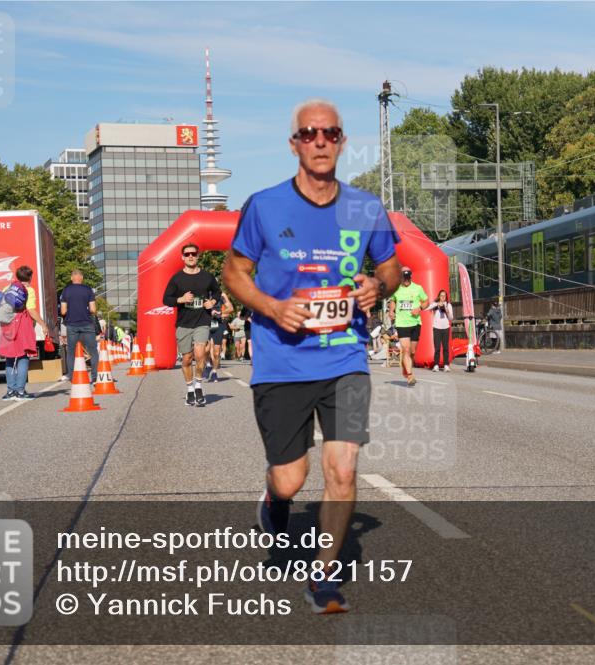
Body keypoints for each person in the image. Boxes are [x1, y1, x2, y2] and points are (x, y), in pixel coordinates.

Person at [222, 98, 401, 614]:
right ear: (295, 144)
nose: (320, 141)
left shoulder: (366, 207)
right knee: (291, 477)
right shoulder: (265, 205)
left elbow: (390, 268)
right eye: (309, 134)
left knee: (342, 469)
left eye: (330, 133)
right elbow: (235, 273)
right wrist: (273, 307)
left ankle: (324, 576)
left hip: (345, 356)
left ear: (342, 141)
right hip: (282, 359)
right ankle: (274, 505)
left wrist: (375, 286)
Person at [162, 243, 220, 406]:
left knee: (200, 353)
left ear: (198, 255)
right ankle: (189, 389)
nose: (190, 256)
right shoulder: (177, 278)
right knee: (187, 359)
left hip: (202, 321)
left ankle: (199, 386)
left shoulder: (207, 277)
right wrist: (181, 299)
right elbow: (166, 299)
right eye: (187, 254)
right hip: (184, 323)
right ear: (182, 257)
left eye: (193, 254)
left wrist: (212, 301)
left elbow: (217, 291)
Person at [0, 265, 48, 400]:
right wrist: (43, 324)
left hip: (7, 325)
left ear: (17, 277)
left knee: (9, 358)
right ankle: (20, 391)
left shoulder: (6, 289)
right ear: (30, 277)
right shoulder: (29, 290)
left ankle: (10, 391)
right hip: (22, 325)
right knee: (23, 357)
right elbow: (31, 310)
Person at [388, 266, 427, 385]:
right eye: (404, 278)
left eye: (407, 277)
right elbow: (393, 301)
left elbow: (426, 301)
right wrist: (391, 311)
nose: (406, 280)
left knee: (412, 352)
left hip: (415, 323)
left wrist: (419, 308)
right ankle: (410, 376)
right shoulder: (396, 289)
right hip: (402, 323)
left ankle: (406, 367)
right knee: (405, 349)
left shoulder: (418, 288)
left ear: (410, 277)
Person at [59, 269, 99, 384]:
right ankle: (95, 377)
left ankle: (71, 376)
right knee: (93, 351)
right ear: (82, 278)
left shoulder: (66, 291)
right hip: (87, 323)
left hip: (72, 325)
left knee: (71, 351)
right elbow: (93, 309)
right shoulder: (88, 290)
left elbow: (63, 311)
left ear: (72, 278)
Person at [205, 292, 233, 382]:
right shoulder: (202, 293)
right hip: (205, 323)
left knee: (217, 352)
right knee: (206, 349)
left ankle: (214, 371)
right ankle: (208, 364)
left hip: (218, 323)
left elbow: (230, 308)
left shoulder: (222, 295)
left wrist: (219, 313)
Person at [427, 290, 453, 371]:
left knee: (445, 348)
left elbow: (451, 318)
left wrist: (447, 311)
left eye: (444, 296)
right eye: (441, 296)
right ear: (439, 296)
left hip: (445, 328)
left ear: (446, 297)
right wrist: (437, 304)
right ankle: (436, 365)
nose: (443, 297)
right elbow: (428, 308)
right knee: (437, 347)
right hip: (437, 328)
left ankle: (446, 365)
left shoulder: (448, 305)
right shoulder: (435, 304)